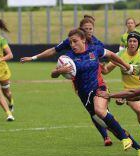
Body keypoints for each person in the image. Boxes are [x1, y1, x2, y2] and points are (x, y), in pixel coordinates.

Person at [50, 28, 140, 156]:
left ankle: (124, 138)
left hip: (100, 88)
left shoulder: (94, 50)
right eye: (70, 42)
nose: (72, 45)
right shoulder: (68, 58)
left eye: (75, 41)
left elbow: (112, 55)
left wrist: (127, 67)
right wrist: (59, 71)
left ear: (83, 40)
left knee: (100, 110)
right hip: (85, 97)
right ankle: (139, 148)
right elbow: (53, 74)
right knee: (111, 127)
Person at [21, 16, 113, 146]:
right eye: (86, 29)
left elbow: (106, 58)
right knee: (93, 111)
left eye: (91, 29)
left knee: (101, 109)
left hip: (96, 79)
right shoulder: (71, 41)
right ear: (81, 30)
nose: (89, 31)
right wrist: (34, 57)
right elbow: (53, 50)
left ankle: (116, 131)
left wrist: (107, 66)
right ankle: (106, 136)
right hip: (79, 81)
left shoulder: (97, 44)